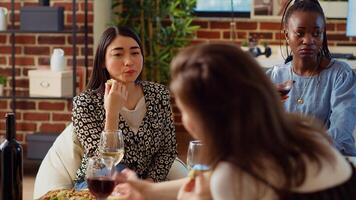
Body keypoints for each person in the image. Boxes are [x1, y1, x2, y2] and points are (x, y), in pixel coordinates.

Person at [113, 43, 356, 200]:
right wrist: (147, 190)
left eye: (185, 111)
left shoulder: (234, 175)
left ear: (208, 119)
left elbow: (220, 182)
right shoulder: (296, 133)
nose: (184, 120)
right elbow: (209, 180)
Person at [33, 26, 177, 199]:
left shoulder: (159, 94)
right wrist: (112, 113)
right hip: (98, 186)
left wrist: (148, 185)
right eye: (118, 54)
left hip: (144, 186)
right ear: (102, 61)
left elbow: (167, 150)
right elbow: (102, 164)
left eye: (135, 53)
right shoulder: (85, 103)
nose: (129, 61)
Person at [267, 0, 356, 156]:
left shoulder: (340, 75)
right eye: (300, 33)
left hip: (331, 160)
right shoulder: (274, 77)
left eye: (316, 33)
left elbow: (342, 130)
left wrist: (306, 152)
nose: (308, 41)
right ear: (287, 35)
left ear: (323, 34)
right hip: (286, 162)